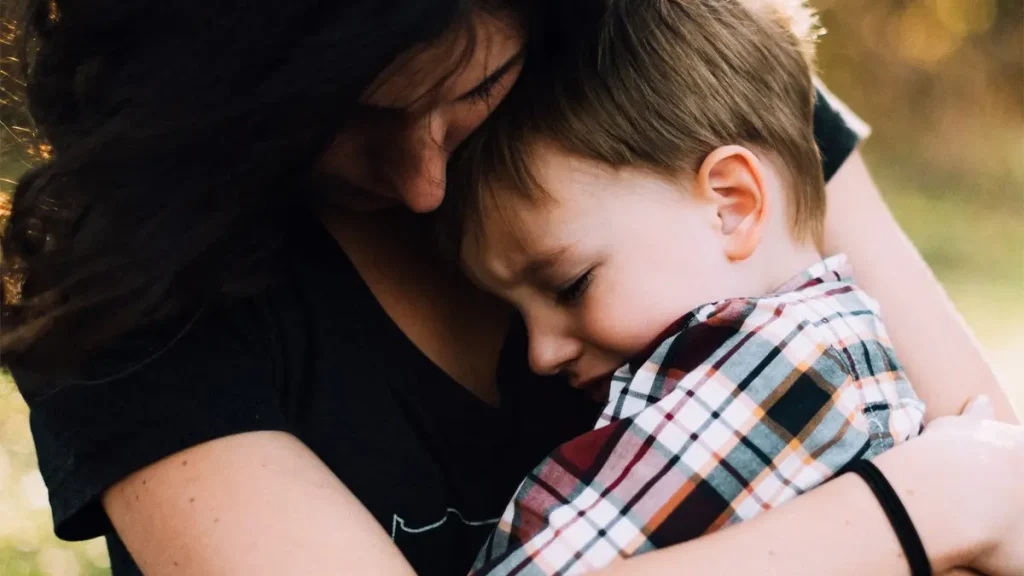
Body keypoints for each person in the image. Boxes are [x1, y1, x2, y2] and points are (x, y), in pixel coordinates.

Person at [0, 0, 1020, 575]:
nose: (422, 185)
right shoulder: (129, 276)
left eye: (469, 94)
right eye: (337, 121)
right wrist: (916, 508)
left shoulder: (680, 85)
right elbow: (983, 489)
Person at [443, 1, 929, 572]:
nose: (540, 353)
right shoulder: (834, 342)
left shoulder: (777, 369)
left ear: (731, 205)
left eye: (571, 286)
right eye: (516, 313)